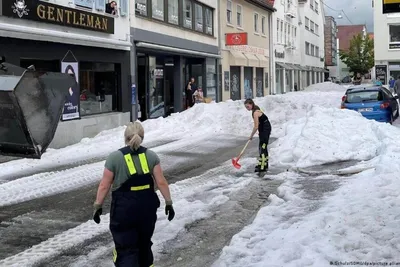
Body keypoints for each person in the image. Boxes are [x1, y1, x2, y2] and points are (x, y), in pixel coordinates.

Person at [92, 121, 175, 267]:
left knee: (126, 248)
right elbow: (161, 182)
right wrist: (169, 203)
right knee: (144, 245)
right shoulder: (151, 156)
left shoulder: (114, 158)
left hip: (124, 210)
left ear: (125, 137)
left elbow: (104, 185)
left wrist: (97, 206)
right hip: (147, 209)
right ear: (142, 137)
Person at [244, 99, 272, 173]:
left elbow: (256, 126)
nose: (247, 108)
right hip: (264, 128)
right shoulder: (256, 109)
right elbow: (259, 124)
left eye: (248, 106)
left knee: (262, 147)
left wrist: (251, 136)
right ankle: (263, 164)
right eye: (246, 107)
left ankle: (262, 167)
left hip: (265, 129)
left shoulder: (255, 112)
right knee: (262, 146)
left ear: (251, 104)